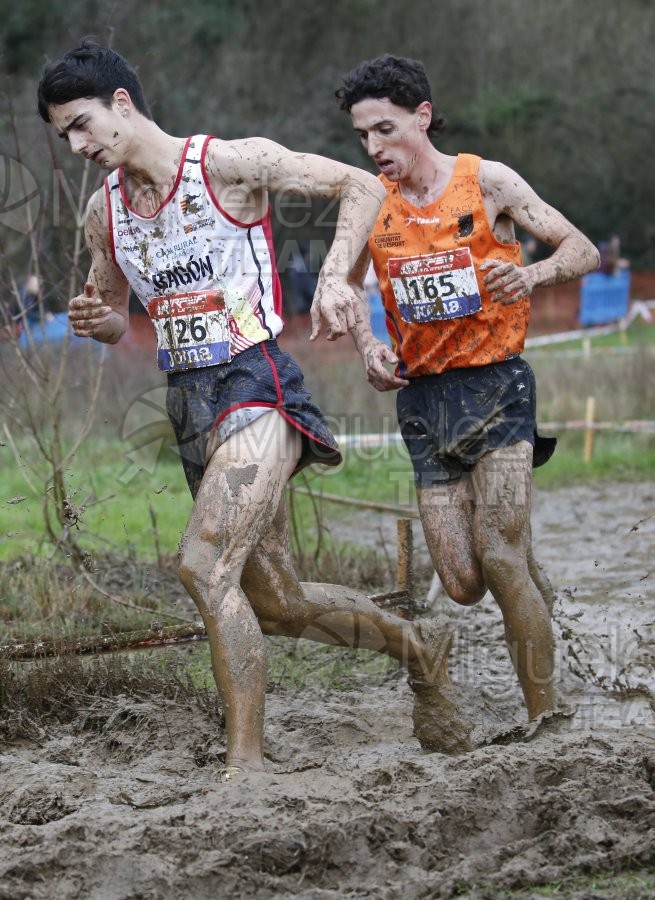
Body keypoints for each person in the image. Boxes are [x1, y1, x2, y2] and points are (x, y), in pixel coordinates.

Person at [36, 40, 457, 779]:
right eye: (63, 135)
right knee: (277, 602)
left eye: (80, 124)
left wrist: (335, 279)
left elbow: (360, 185)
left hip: (255, 385)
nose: (76, 146)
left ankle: (246, 764)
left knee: (202, 567)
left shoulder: (226, 165)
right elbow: (111, 312)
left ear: (122, 105)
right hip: (189, 402)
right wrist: (93, 320)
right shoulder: (104, 213)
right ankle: (420, 649)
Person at [334, 54, 600, 747]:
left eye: (384, 130)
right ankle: (526, 579)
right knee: (460, 581)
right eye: (362, 137)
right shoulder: (371, 205)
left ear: (421, 116)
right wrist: (367, 348)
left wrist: (532, 275)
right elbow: (347, 289)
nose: (373, 149)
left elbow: (583, 249)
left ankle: (546, 716)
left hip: (497, 386)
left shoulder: (486, 181)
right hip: (422, 402)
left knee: (501, 554)